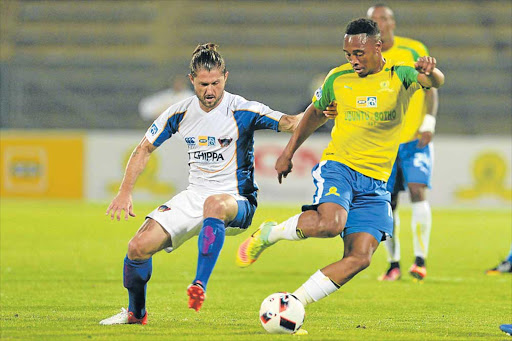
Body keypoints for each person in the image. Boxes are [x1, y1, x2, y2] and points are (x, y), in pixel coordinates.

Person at [99, 43, 335, 325]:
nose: (209, 91)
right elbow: (143, 148)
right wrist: (125, 192)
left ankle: (199, 284)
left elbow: (291, 122)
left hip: (237, 201)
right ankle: (136, 314)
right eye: (202, 84)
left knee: (214, 204)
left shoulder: (242, 109)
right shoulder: (180, 112)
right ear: (191, 81)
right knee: (137, 247)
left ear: (225, 77)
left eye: (215, 83)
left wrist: (319, 108)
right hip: (194, 196)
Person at [237, 18, 444, 311]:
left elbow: (434, 82)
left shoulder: (400, 75)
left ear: (377, 46)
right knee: (331, 224)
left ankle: (295, 303)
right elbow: (315, 112)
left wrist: (431, 71)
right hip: (341, 166)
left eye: (359, 53)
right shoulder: (338, 78)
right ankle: (271, 233)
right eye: (348, 54)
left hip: (376, 182)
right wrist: (288, 152)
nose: (353, 60)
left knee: (360, 257)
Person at [367, 4, 440, 282]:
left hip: (413, 139)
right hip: (383, 144)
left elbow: (430, 85)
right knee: (388, 202)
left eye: (384, 18)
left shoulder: (412, 50)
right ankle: (393, 263)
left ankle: (420, 260)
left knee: (418, 190)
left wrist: (428, 122)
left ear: (392, 23)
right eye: (374, 19)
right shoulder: (366, 58)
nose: (380, 23)